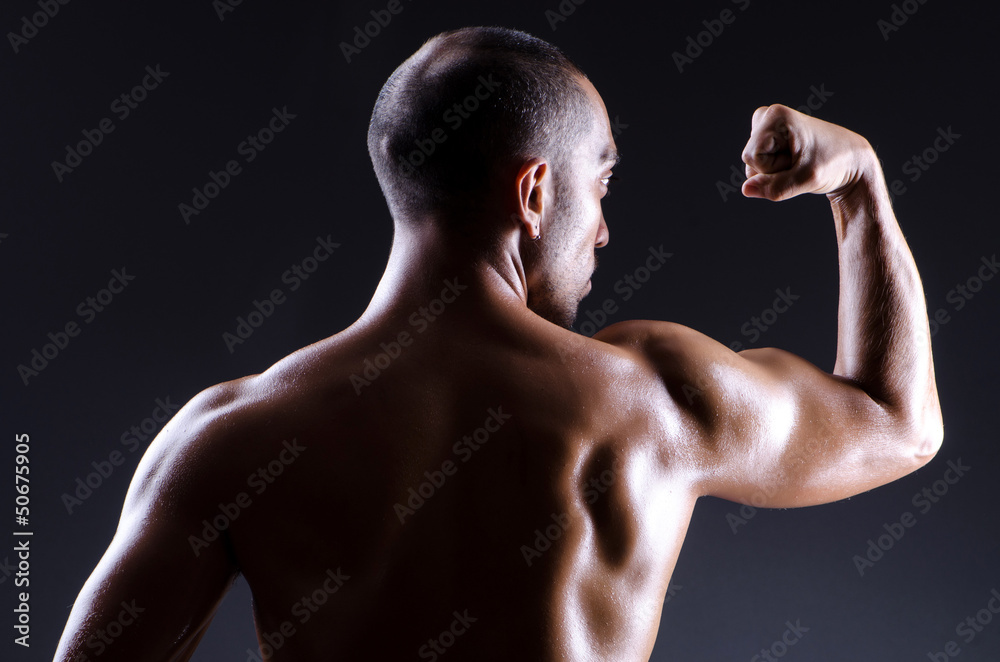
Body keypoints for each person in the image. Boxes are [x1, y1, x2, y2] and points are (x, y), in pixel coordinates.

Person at [54, 26, 943, 662]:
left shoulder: (232, 435)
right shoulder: (649, 396)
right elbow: (899, 423)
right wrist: (858, 182)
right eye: (600, 188)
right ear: (534, 193)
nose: (601, 232)